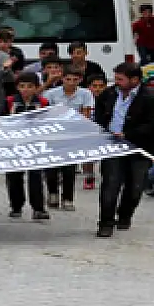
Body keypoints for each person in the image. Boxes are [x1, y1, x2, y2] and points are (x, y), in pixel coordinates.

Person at [93, 62, 154, 238]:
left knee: (135, 188)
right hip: (113, 147)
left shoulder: (151, 98)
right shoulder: (108, 94)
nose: (116, 82)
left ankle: (125, 215)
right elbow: (99, 116)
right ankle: (106, 223)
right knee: (110, 185)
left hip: (139, 148)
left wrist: (128, 134)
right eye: (115, 78)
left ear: (135, 80)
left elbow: (153, 124)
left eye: (120, 79)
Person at [42, 65, 94, 210]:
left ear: (80, 80)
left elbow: (86, 114)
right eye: (67, 79)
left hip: (72, 135)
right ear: (62, 79)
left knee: (69, 169)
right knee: (51, 167)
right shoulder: (51, 94)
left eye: (74, 79)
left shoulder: (85, 94)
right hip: (53, 135)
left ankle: (68, 198)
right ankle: (52, 193)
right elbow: (41, 105)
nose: (71, 82)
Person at [5, 72, 50, 220]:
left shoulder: (43, 103)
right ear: (17, 87)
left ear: (36, 88)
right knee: (14, 176)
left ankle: (38, 208)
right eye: (22, 86)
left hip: (35, 145)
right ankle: (16, 206)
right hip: (14, 145)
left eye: (30, 86)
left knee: (36, 176)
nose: (26, 90)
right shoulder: (10, 102)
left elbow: (49, 122)